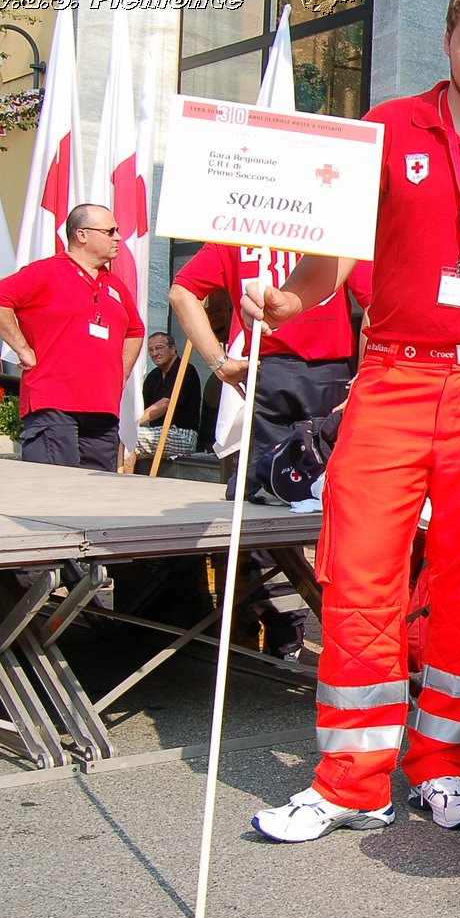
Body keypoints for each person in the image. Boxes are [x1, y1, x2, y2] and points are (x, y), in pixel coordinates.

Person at [246, 0, 460, 842]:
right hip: (393, 373)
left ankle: (438, 764)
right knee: (358, 567)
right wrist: (289, 302)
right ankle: (352, 779)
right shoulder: (386, 127)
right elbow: (332, 250)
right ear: (448, 38)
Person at [170, 246, 365, 662]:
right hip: (327, 376)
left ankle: (286, 629)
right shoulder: (330, 227)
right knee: (338, 506)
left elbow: (181, 292)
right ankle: (338, 625)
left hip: (269, 370)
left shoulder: (240, 228)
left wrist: (218, 362)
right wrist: (366, 376)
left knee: (264, 505)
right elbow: (376, 305)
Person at [0, 203, 144, 471]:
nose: (118, 237)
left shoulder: (114, 284)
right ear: (82, 235)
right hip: (54, 402)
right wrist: (22, 348)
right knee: (54, 491)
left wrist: (121, 373)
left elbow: (135, 330)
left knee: (95, 496)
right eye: (110, 231)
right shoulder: (46, 271)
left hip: (102, 407)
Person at [134, 332, 201, 458]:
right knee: (124, 437)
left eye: (159, 348)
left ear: (173, 349)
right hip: (157, 432)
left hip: (182, 435)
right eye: (150, 350)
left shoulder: (185, 371)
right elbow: (142, 408)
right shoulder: (153, 376)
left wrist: (135, 422)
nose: (154, 354)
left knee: (132, 437)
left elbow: (165, 403)